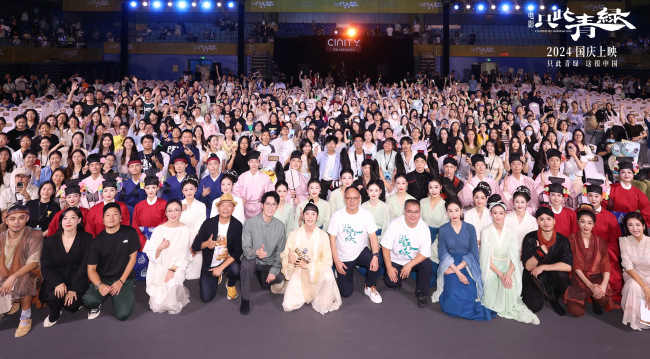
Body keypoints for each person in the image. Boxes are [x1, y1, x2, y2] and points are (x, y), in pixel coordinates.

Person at [432, 197, 495, 321]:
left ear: (462, 210)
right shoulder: (443, 229)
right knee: (452, 293)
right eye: (450, 211)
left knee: (468, 292)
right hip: (449, 265)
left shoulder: (470, 228)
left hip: (467, 264)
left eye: (456, 210)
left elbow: (473, 252)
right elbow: (443, 254)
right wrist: (457, 272)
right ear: (446, 212)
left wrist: (460, 271)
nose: (454, 214)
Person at [272, 202, 342, 314]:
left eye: (313, 214)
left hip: (317, 273)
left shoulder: (323, 236)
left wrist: (308, 265)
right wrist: (288, 260)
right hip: (298, 272)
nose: (310, 217)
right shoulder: (293, 234)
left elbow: (328, 261)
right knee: (288, 305)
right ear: (303, 216)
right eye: (307, 214)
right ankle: (306, 294)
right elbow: (285, 255)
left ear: (317, 217)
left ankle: (320, 295)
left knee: (328, 275)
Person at [479, 197, 539, 324]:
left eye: (501, 213)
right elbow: (486, 259)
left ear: (505, 214)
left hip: (508, 267)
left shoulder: (511, 232)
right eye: (495, 213)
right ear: (491, 214)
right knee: (489, 299)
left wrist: (508, 274)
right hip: (492, 268)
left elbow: (514, 257)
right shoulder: (486, 231)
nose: (498, 216)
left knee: (509, 289)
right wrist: (500, 275)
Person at [83, 203, 139, 321]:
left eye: (115, 214)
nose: (111, 217)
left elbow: (133, 259)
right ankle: (99, 301)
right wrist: (99, 285)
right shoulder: (96, 242)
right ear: (103, 220)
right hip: (103, 278)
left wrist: (121, 281)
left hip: (124, 278)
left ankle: (126, 289)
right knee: (88, 301)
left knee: (122, 314)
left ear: (120, 217)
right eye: (107, 215)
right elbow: (91, 270)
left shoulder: (130, 233)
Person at [327, 187, 382, 303]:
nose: (352, 201)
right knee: (346, 293)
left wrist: (375, 256)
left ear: (359, 198)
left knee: (376, 260)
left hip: (361, 251)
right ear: (344, 199)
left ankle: (370, 286)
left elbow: (373, 237)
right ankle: (346, 273)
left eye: (355, 198)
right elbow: (332, 239)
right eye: (349, 198)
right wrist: (336, 261)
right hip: (344, 256)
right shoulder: (337, 215)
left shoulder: (366, 214)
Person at [40, 207, 91, 327]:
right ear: (61, 221)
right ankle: (55, 312)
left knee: (70, 306)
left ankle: (73, 300)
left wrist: (74, 288)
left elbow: (85, 266)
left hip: (77, 278)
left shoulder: (87, 239)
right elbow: (46, 267)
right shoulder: (50, 241)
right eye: (65, 218)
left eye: (73, 218)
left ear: (79, 220)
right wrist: (58, 282)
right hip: (56, 278)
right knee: (54, 297)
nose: (68, 221)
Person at [240, 191, 286, 315]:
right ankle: (245, 299)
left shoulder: (280, 226)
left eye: (274, 205)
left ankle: (263, 276)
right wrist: (256, 252)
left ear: (277, 206)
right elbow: (245, 248)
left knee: (280, 277)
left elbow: (280, 251)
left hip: (269, 261)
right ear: (262, 205)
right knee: (246, 266)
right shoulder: (249, 223)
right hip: (252, 258)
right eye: (267, 204)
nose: (270, 207)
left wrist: (273, 271)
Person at [0, 205, 43, 337]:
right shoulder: (1, 236)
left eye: (21, 218)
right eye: (12, 219)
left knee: (25, 279)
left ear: (27, 219)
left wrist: (12, 277)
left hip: (28, 272)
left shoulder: (35, 234)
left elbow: (33, 262)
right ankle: (9, 304)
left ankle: (25, 316)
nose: (16, 222)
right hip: (5, 272)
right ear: (6, 221)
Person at [564, 204, 614, 317]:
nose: (586, 225)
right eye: (582, 221)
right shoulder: (571, 239)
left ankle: (595, 299)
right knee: (576, 312)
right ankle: (588, 294)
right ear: (577, 222)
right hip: (579, 278)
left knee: (603, 298)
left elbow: (605, 265)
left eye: (589, 223)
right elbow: (575, 265)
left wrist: (603, 286)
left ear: (594, 225)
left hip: (596, 276)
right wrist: (590, 285)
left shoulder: (600, 241)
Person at [521, 207, 573, 316]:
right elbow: (528, 267)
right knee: (535, 306)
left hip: (551, 276)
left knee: (562, 276)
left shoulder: (562, 240)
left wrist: (542, 267)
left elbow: (568, 266)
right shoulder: (530, 238)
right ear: (537, 222)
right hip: (533, 277)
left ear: (554, 221)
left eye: (549, 219)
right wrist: (538, 254)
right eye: (542, 219)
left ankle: (554, 298)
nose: (546, 223)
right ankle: (538, 293)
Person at [381, 199, 434, 308]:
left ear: (420, 212)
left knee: (427, 264)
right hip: (397, 260)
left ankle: (421, 292)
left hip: (414, 260)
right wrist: (389, 267)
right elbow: (385, 246)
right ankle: (398, 279)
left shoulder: (424, 228)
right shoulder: (395, 224)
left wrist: (409, 265)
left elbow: (424, 253)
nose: (413, 215)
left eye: (416, 212)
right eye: (410, 211)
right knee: (390, 282)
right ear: (404, 211)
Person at [142, 200, 192, 314]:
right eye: (170, 211)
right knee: (157, 306)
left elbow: (185, 254)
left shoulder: (185, 230)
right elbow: (152, 254)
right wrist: (160, 248)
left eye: (176, 210)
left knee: (171, 288)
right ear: (166, 213)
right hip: (159, 264)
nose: (173, 213)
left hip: (177, 266)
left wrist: (173, 269)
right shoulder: (159, 229)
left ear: (181, 211)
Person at [193, 193, 243, 303]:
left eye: (229, 205)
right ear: (218, 208)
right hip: (211, 264)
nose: (225, 208)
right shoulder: (208, 223)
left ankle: (230, 283)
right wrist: (206, 244)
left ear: (233, 208)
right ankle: (216, 276)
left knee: (237, 269)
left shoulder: (237, 225)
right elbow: (195, 246)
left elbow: (238, 250)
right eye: (222, 205)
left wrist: (220, 268)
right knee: (206, 298)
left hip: (228, 262)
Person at [585, 182, 623, 303]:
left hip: (605, 254)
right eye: (590, 195)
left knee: (612, 278)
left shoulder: (609, 216)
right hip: (585, 253)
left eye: (596, 196)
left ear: (602, 196)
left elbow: (614, 240)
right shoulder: (581, 213)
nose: (593, 199)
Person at [619, 212, 650, 331]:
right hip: (634, 277)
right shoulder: (624, 241)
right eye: (630, 225)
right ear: (626, 227)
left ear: (643, 226)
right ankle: (635, 319)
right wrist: (645, 287)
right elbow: (628, 266)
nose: (634, 228)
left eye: (637, 225)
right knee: (633, 286)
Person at [179, 175, 206, 280]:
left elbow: (201, 226)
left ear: (195, 189)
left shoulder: (201, 205)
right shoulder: (178, 205)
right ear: (182, 191)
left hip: (196, 237)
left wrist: (195, 245)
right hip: (181, 237)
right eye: (186, 190)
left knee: (195, 273)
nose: (189, 192)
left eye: (191, 189)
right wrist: (180, 209)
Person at [232, 151, 274, 219]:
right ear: (248, 163)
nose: (254, 164)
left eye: (256, 162)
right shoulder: (242, 176)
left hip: (259, 207)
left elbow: (269, 193)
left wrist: (263, 203)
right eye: (251, 162)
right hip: (245, 207)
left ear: (259, 163)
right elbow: (236, 191)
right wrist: (240, 199)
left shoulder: (265, 177)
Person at [132, 175, 167, 250]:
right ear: (144, 188)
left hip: (160, 240)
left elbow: (167, 223)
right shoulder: (138, 206)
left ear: (158, 187)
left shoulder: (164, 204)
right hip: (143, 242)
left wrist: (157, 240)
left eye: (153, 187)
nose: (150, 190)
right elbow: (135, 227)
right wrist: (145, 242)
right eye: (148, 188)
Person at [504, 186, 538, 251]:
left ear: (526, 203)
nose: (519, 205)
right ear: (513, 202)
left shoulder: (532, 220)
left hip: (527, 252)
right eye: (517, 202)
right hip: (509, 251)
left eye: (522, 202)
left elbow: (534, 239)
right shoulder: (507, 218)